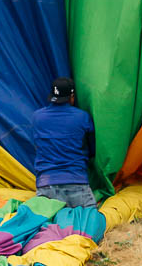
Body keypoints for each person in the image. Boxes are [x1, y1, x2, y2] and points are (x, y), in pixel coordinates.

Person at [32, 76, 97, 209]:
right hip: (77, 183)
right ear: (71, 96)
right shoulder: (82, 117)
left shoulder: (37, 117)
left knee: (48, 228)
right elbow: (92, 149)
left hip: (46, 185)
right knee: (88, 225)